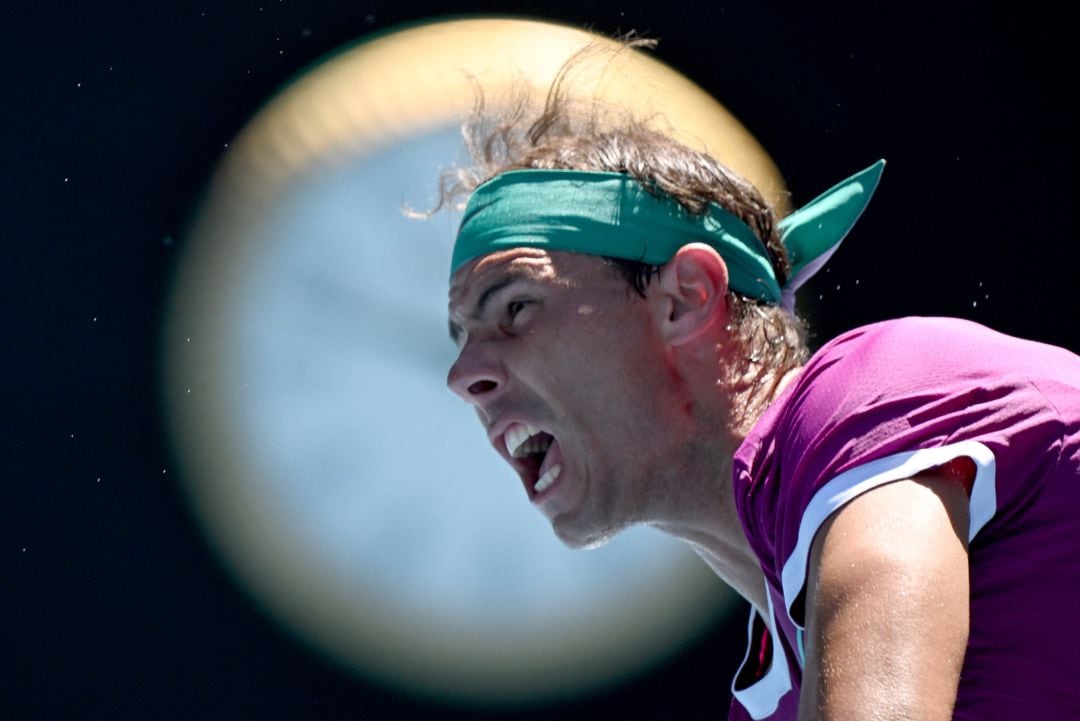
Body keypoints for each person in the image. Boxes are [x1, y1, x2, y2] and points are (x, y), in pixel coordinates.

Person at [440, 64, 1080, 720]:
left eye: (516, 307)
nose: (462, 376)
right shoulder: (769, 695)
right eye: (460, 338)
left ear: (686, 296)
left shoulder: (874, 394)